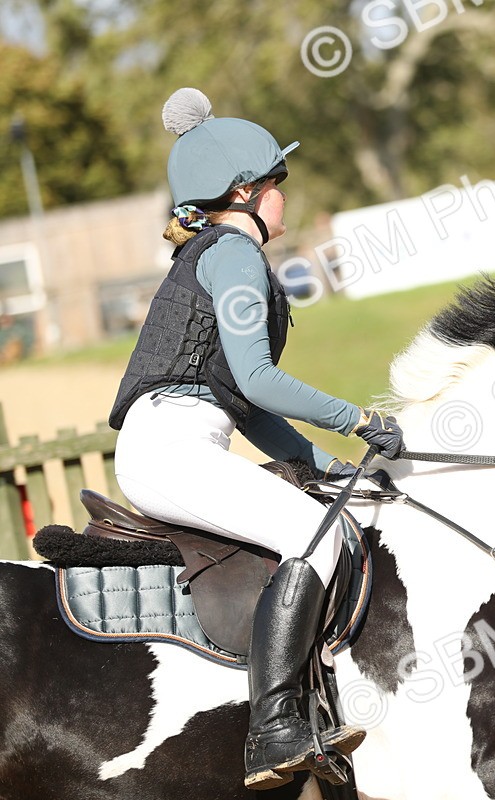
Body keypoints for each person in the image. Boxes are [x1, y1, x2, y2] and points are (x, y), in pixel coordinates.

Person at [107, 88, 404, 791]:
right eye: (278, 183)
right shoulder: (234, 254)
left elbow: (247, 408)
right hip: (169, 448)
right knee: (315, 534)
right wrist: (356, 420)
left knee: (324, 514)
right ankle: (275, 729)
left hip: (184, 440)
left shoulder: (219, 253)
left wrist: (332, 467)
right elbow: (262, 381)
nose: (283, 198)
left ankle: (306, 707)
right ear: (245, 190)